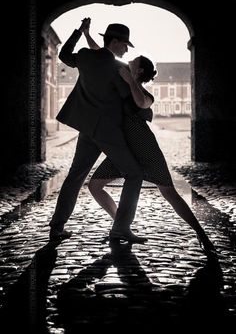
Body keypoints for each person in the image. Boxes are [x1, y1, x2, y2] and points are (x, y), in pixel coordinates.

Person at [85, 26, 216, 254]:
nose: (128, 61)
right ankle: (121, 224)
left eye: (133, 62)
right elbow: (102, 54)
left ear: (139, 71)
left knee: (169, 192)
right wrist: (87, 35)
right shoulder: (124, 78)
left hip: (146, 147)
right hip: (124, 149)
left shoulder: (145, 94)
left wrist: (131, 80)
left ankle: (200, 232)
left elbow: (140, 103)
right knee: (94, 185)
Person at [49, 18, 146, 243]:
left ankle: (56, 227)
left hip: (87, 130)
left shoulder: (85, 57)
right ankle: (121, 227)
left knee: (75, 177)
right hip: (109, 132)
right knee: (134, 174)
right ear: (115, 42)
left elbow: (64, 55)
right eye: (125, 45)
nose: (126, 49)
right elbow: (129, 102)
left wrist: (80, 32)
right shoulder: (119, 68)